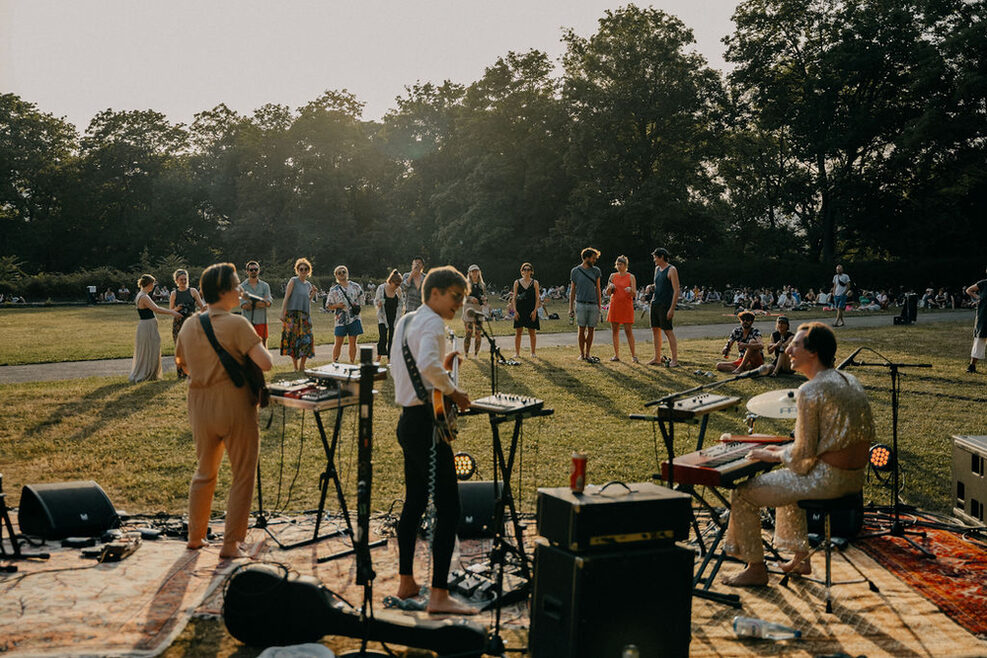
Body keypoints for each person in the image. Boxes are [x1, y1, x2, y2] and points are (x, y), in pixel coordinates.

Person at [722, 322, 875, 586]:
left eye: (795, 345)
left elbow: (803, 454)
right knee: (788, 479)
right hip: (853, 479)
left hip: (827, 480)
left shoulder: (810, 389)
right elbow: (817, 447)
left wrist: (772, 455)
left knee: (744, 493)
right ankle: (801, 559)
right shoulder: (849, 380)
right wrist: (781, 451)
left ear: (813, 352)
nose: (788, 349)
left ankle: (755, 568)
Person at [390, 265, 477, 615]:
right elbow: (426, 363)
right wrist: (454, 392)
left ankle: (406, 581)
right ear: (436, 292)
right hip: (427, 426)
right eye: (456, 297)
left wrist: (442, 368)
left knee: (413, 503)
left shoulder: (407, 320)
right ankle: (439, 596)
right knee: (449, 507)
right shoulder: (432, 323)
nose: (459, 304)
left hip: (408, 421)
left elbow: (413, 367)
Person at [175, 263, 273, 560]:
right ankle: (231, 544)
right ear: (225, 292)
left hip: (200, 403)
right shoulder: (236, 323)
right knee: (242, 473)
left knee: (205, 471)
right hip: (234, 404)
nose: (241, 291)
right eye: (237, 287)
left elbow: (181, 362)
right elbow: (265, 362)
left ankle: (195, 537)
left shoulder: (191, 324)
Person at [129, 274, 182, 383]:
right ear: (148, 284)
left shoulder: (141, 295)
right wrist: (172, 312)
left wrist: (173, 310)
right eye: (152, 283)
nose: (153, 286)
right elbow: (156, 309)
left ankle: (149, 372)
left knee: (150, 348)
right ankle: (147, 373)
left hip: (146, 325)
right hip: (147, 325)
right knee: (151, 348)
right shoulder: (144, 296)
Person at [279, 258, 318, 371]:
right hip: (292, 315)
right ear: (297, 270)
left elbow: (307, 301)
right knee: (293, 340)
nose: (303, 271)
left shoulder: (308, 285)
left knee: (307, 339)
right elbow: (286, 297)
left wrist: (313, 294)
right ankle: (296, 367)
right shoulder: (293, 281)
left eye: (306, 269)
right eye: (301, 269)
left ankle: (302, 366)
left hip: (305, 315)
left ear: (308, 271)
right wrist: (282, 313)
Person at [568, 247, 603, 363]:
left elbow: (598, 289)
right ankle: (581, 353)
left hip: (593, 304)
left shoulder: (596, 271)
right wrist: (570, 308)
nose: (594, 260)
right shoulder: (575, 271)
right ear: (586, 258)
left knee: (591, 330)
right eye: (593, 258)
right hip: (580, 304)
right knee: (581, 329)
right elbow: (572, 290)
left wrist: (599, 306)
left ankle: (588, 353)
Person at [647, 247, 680, 367]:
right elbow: (657, 285)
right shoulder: (657, 269)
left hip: (665, 305)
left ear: (661, 257)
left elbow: (676, 290)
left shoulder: (672, 270)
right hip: (655, 303)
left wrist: (672, 308)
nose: (654, 260)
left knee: (668, 331)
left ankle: (675, 360)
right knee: (655, 330)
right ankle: (657, 357)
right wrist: (650, 287)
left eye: (655, 257)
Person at [170, 269, 205, 380]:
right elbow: (171, 311)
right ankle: (181, 373)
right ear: (176, 280)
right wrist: (178, 308)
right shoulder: (174, 293)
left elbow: (202, 307)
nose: (184, 281)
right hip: (178, 323)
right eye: (181, 280)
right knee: (180, 348)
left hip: (191, 322)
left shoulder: (193, 291)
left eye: (185, 279)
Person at [325, 265, 364, 363]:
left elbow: (361, 299)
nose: (342, 274)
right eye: (339, 273)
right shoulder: (334, 290)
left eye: (343, 272)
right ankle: (335, 362)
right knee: (338, 342)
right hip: (340, 319)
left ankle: (352, 362)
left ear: (347, 273)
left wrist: (357, 306)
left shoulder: (355, 286)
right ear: (336, 276)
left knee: (353, 342)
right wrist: (337, 305)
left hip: (354, 318)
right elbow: (328, 306)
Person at [605, 255, 638, 362]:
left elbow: (634, 294)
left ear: (625, 265)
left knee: (628, 330)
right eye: (618, 264)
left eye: (621, 264)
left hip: (626, 306)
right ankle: (616, 355)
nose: (619, 266)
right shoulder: (612, 276)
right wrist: (610, 288)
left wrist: (630, 290)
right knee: (615, 330)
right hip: (615, 305)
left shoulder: (631, 277)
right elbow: (607, 293)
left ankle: (633, 355)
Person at [510, 262, 542, 359]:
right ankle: (517, 353)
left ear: (531, 271)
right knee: (518, 332)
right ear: (521, 271)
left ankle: (533, 353)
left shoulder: (535, 283)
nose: (526, 271)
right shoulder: (517, 282)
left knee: (532, 332)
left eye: (528, 269)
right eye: (524, 269)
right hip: (520, 310)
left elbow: (537, 298)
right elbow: (514, 298)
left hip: (531, 310)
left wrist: (535, 311)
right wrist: (515, 311)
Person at [239, 260, 273, 342]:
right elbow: (245, 306)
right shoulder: (242, 287)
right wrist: (261, 302)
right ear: (247, 271)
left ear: (259, 270)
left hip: (261, 321)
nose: (254, 271)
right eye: (251, 270)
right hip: (247, 323)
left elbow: (268, 303)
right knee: (247, 347)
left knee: (263, 345)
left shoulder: (265, 286)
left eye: (256, 269)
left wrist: (250, 301)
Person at [375, 269, 403, 361]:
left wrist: (399, 316)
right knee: (382, 337)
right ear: (390, 281)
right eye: (396, 284)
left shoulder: (398, 291)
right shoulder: (381, 288)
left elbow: (400, 304)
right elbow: (376, 301)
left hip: (394, 317)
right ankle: (379, 356)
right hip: (383, 316)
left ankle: (390, 358)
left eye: (399, 284)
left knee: (392, 338)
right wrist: (379, 304)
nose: (397, 286)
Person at [462, 264, 488, 358]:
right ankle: (466, 354)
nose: (475, 273)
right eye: (473, 271)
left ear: (479, 272)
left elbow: (485, 297)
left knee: (478, 333)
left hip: (478, 310)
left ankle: (476, 354)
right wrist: (470, 298)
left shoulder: (482, 285)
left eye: (476, 271)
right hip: (468, 309)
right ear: (469, 273)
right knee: (468, 332)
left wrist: (484, 300)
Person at [965, 268, 987, 373]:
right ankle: (972, 366)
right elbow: (969, 290)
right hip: (983, 316)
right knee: (979, 340)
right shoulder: (983, 283)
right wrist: (977, 297)